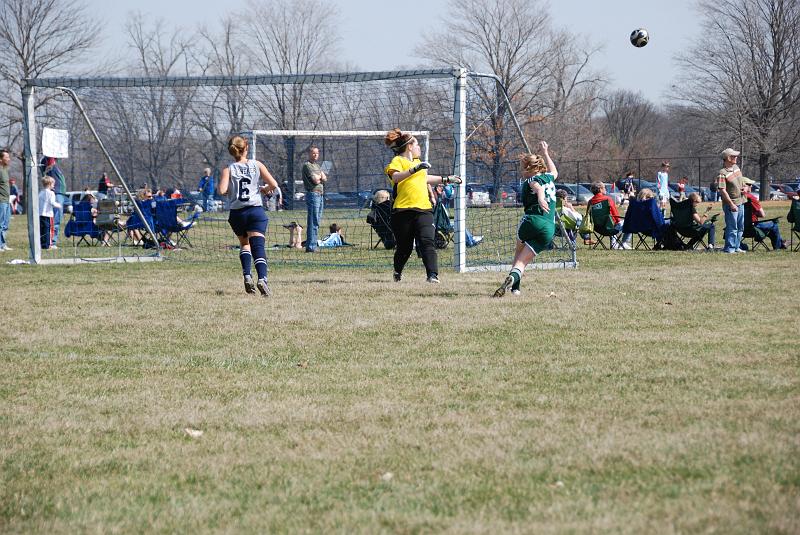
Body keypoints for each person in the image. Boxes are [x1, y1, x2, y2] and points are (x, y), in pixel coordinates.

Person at [383, 128, 461, 283]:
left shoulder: (419, 163)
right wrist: (413, 170)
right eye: (417, 144)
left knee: (428, 242)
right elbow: (396, 177)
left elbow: (425, 178)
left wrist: (447, 179)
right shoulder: (398, 161)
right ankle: (397, 271)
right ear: (409, 146)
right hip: (402, 211)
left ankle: (432, 275)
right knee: (404, 249)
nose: (420, 148)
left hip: (424, 209)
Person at [493, 141, 557, 297]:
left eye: (523, 166)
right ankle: (514, 287)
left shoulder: (530, 180)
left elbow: (538, 187)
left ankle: (515, 286)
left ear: (529, 169)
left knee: (518, 256)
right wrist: (546, 152)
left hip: (531, 221)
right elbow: (555, 172)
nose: (521, 170)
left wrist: (541, 198)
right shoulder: (549, 177)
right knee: (523, 261)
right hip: (549, 228)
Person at [218, 135, 279, 297]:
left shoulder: (228, 169)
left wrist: (232, 188)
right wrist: (265, 189)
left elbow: (222, 191)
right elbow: (274, 184)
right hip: (255, 211)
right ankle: (263, 279)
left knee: (245, 244)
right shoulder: (256, 164)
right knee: (258, 246)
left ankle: (247, 275)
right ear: (246, 148)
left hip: (237, 213)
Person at [742, 177, 786, 249]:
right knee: (774, 225)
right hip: (751, 228)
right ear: (744, 186)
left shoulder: (735, 198)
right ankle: (779, 246)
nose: (751, 186)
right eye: (749, 184)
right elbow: (762, 214)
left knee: (770, 227)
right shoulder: (751, 198)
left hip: (738, 228)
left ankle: (781, 243)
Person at [588, 181, 632, 249]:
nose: (605, 189)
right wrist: (619, 222)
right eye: (604, 188)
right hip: (610, 229)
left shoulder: (590, 202)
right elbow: (615, 215)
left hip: (597, 228)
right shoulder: (607, 199)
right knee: (629, 222)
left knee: (609, 221)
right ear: (600, 189)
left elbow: (588, 215)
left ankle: (614, 243)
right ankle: (624, 243)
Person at [717, 148, 746, 253]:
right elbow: (722, 190)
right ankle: (730, 248)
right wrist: (731, 204)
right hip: (731, 205)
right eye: (734, 156)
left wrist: (745, 188)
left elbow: (742, 183)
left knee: (740, 227)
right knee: (732, 227)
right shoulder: (722, 173)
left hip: (741, 202)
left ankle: (737, 247)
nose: (736, 157)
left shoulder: (737, 168)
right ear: (728, 158)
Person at [302, 146, 327, 252]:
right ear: (309, 154)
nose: (316, 155)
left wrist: (320, 176)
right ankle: (311, 246)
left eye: (317, 153)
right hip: (313, 195)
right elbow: (316, 180)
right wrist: (320, 176)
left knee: (317, 221)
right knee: (313, 221)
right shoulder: (307, 165)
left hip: (320, 195)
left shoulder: (317, 165)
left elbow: (325, 178)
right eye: (313, 153)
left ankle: (313, 244)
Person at [39, 155, 67, 247]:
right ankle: (51, 241)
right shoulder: (48, 162)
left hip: (60, 193)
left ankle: (51, 241)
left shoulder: (54, 163)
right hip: (57, 193)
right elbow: (50, 158)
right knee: (55, 219)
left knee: (57, 218)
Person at [38, 176, 61, 250]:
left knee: (42, 230)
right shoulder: (51, 193)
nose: (54, 185)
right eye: (53, 184)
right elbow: (52, 203)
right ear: (50, 184)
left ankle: (42, 244)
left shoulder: (41, 192)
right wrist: (59, 205)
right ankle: (48, 245)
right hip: (48, 215)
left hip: (41, 214)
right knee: (49, 230)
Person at [0, 149, 11, 251]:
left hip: (7, 201)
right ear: (0, 159)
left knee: (5, 224)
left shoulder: (5, 170)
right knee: (1, 223)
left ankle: (3, 244)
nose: (9, 159)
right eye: (6, 157)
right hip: (1, 201)